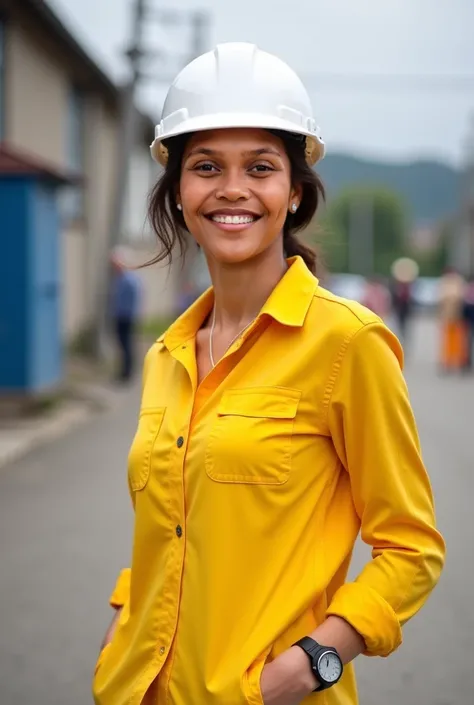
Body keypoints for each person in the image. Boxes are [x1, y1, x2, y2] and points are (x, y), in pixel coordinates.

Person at [93, 43, 445, 705]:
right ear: (178, 194)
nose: (232, 188)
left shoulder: (348, 342)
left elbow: (412, 547)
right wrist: (122, 623)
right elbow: (169, 524)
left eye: (260, 167)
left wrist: (316, 660)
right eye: (205, 167)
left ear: (294, 192)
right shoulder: (166, 353)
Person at [109, 248, 142, 382]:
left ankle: (127, 373)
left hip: (127, 317)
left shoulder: (129, 280)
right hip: (119, 315)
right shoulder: (119, 279)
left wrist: (130, 313)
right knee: (122, 345)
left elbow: (134, 299)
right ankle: (123, 371)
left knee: (127, 344)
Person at [438, 267, 467, 373]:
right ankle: (447, 361)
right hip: (446, 316)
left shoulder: (458, 282)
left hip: (458, 316)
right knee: (447, 341)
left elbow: (459, 297)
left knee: (458, 341)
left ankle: (457, 361)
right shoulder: (444, 283)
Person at [462, 275, 474, 370]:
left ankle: (467, 362)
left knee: (468, 342)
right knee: (467, 342)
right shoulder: (468, 290)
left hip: (469, 319)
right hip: (469, 319)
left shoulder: (468, 290)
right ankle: (467, 361)